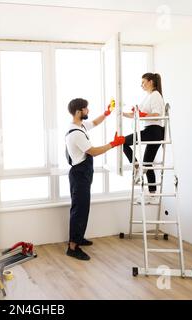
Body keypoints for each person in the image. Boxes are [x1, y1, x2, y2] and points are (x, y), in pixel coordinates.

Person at [65, 98, 125, 261]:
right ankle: (73, 247)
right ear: (79, 111)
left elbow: (95, 123)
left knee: (83, 208)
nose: (88, 111)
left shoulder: (80, 126)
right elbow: (93, 151)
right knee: (79, 210)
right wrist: (113, 144)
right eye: (86, 109)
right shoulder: (76, 133)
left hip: (82, 173)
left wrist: (107, 113)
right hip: (79, 174)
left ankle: (78, 238)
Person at [122, 73, 166, 203]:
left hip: (154, 131)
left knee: (123, 141)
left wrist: (143, 114)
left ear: (151, 82)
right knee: (147, 163)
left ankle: (136, 167)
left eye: (143, 82)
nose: (141, 85)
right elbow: (136, 114)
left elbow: (157, 115)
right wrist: (120, 113)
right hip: (152, 131)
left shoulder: (156, 96)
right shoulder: (148, 97)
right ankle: (153, 195)